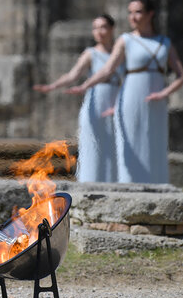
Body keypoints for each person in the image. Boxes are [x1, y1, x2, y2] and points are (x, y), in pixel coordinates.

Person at [66, 0, 183, 184]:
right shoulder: (125, 40)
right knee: (129, 144)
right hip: (130, 97)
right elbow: (107, 69)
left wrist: (164, 94)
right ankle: (128, 187)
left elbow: (181, 76)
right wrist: (85, 86)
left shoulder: (164, 42)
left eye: (138, 12)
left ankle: (157, 187)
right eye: (130, 12)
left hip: (156, 100)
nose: (133, 17)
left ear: (150, 14)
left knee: (155, 143)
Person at [33, 14, 124, 182]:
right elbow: (72, 75)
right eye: (95, 28)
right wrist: (52, 86)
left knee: (115, 147)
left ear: (112, 29)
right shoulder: (91, 54)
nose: (99, 32)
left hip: (116, 105)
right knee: (94, 146)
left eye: (103, 27)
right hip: (96, 105)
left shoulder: (120, 54)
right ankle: (90, 182)